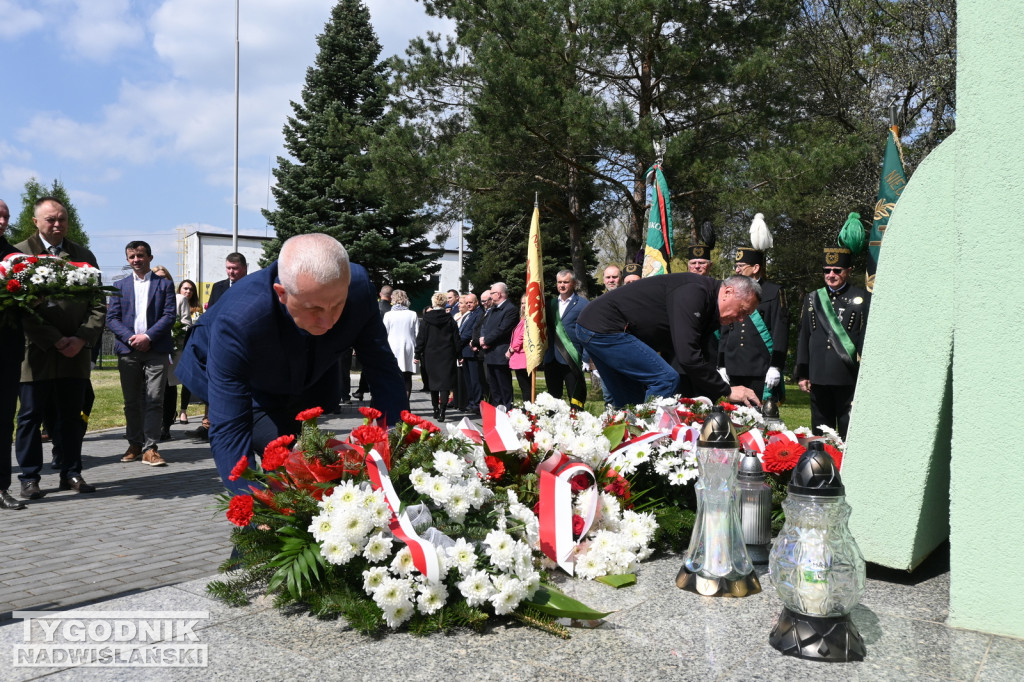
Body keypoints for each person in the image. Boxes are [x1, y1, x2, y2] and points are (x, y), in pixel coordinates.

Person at [176, 233, 408, 496]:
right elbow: (231, 426)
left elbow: (382, 368)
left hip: (300, 374)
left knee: (309, 462)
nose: (328, 322)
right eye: (315, 309)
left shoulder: (358, 287)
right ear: (282, 293)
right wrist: (252, 506)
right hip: (229, 374)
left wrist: (397, 447)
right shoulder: (239, 320)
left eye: (338, 305)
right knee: (286, 453)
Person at [15, 197, 106, 497]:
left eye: (62, 219)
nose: (57, 225)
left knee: (71, 416)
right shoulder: (19, 255)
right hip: (35, 353)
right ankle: (30, 478)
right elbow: (19, 307)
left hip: (74, 354)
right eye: (51, 219)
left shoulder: (82, 254)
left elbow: (98, 304)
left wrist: (81, 338)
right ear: (35, 221)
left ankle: (71, 473)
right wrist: (53, 338)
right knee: (30, 417)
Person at [575, 274, 762, 408]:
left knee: (631, 403)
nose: (741, 319)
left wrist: (718, 397)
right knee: (665, 379)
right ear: (728, 292)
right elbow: (688, 356)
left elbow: (699, 357)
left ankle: (628, 453)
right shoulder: (695, 293)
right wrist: (727, 391)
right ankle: (647, 439)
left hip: (597, 327)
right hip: (604, 327)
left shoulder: (710, 307)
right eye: (743, 310)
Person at [107, 243, 175, 466]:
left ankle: (150, 448)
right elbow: (112, 319)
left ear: (150, 257)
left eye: (140, 255)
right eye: (132, 256)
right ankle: (135, 444)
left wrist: (148, 337)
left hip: (156, 349)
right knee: (131, 402)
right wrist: (131, 338)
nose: (136, 260)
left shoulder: (164, 285)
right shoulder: (119, 286)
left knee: (154, 399)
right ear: (127, 259)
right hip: (128, 350)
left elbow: (169, 315)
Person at [795, 246, 871, 439]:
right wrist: (803, 374)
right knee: (820, 431)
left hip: (847, 375)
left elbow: (865, 338)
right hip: (818, 375)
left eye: (837, 270)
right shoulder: (813, 298)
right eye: (827, 270)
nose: (831, 275)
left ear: (848, 271)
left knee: (848, 430)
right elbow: (804, 336)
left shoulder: (862, 298)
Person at [719, 245, 789, 403]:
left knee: (760, 418)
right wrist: (721, 364)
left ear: (756, 267)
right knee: (734, 418)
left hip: (760, 366)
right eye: (736, 266)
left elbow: (780, 330)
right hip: (733, 364)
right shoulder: (731, 290)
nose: (737, 270)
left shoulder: (773, 291)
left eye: (741, 266)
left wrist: (776, 365)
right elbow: (725, 330)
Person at [0, 199, 27, 509]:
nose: (2, 220)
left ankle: (1, 486)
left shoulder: (14, 258)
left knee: (4, 420)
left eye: (5, 216)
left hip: (5, 350)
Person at [150, 265, 187, 442]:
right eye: (157, 277)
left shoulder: (179, 299)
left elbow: (186, 324)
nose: (161, 280)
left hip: (171, 349)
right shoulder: (149, 297)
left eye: (164, 277)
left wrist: (175, 332)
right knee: (152, 389)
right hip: (151, 348)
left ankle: (166, 425)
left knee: (168, 388)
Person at [543, 270, 589, 408]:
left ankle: (577, 425)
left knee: (575, 397)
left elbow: (587, 332)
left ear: (573, 283)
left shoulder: (582, 304)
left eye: (566, 282)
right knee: (552, 399)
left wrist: (586, 358)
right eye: (559, 282)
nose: (562, 285)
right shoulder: (549, 304)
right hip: (551, 358)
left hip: (571, 357)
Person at [416, 292, 461, 422]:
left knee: (433, 383)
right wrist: (459, 354)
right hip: (447, 355)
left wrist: (417, 353)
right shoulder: (450, 319)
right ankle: (442, 411)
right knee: (445, 384)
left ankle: (435, 409)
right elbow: (456, 338)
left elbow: (421, 338)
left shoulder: (426, 319)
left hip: (431, 355)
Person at [478, 282, 519, 410]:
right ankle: (497, 411)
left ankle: (507, 410)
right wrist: (482, 339)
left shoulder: (510, 309)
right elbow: (485, 326)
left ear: (499, 294)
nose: (490, 296)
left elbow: (502, 329)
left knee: (503, 386)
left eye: (492, 293)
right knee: (494, 386)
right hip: (490, 353)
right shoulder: (493, 309)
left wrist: (486, 341)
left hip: (500, 353)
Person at [382, 290, 418, 399]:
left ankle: (394, 402)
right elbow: (417, 333)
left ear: (393, 299)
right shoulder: (412, 314)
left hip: (392, 347)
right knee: (407, 377)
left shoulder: (388, 315)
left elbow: (384, 333)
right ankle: (406, 405)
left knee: (392, 377)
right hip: (408, 347)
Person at [175, 279, 201, 423]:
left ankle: (183, 411)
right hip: (177, 345)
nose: (188, 291)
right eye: (185, 288)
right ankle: (170, 410)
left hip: (191, 346)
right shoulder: (174, 304)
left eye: (191, 289)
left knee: (186, 380)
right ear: (180, 289)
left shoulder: (198, 308)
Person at [458, 293, 484, 415]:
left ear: (476, 302)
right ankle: (471, 401)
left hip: (471, 351)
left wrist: (457, 341)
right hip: (465, 351)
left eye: (471, 302)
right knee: (468, 380)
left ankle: (477, 403)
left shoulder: (479, 314)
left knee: (475, 379)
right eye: (467, 302)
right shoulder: (470, 314)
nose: (468, 304)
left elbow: (471, 332)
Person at [507, 294, 530, 401]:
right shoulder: (523, 318)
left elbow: (522, 336)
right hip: (518, 357)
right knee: (524, 386)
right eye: (522, 303)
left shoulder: (529, 319)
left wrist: (511, 349)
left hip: (522, 357)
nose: (524, 305)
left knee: (526, 387)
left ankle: (529, 411)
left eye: (526, 303)